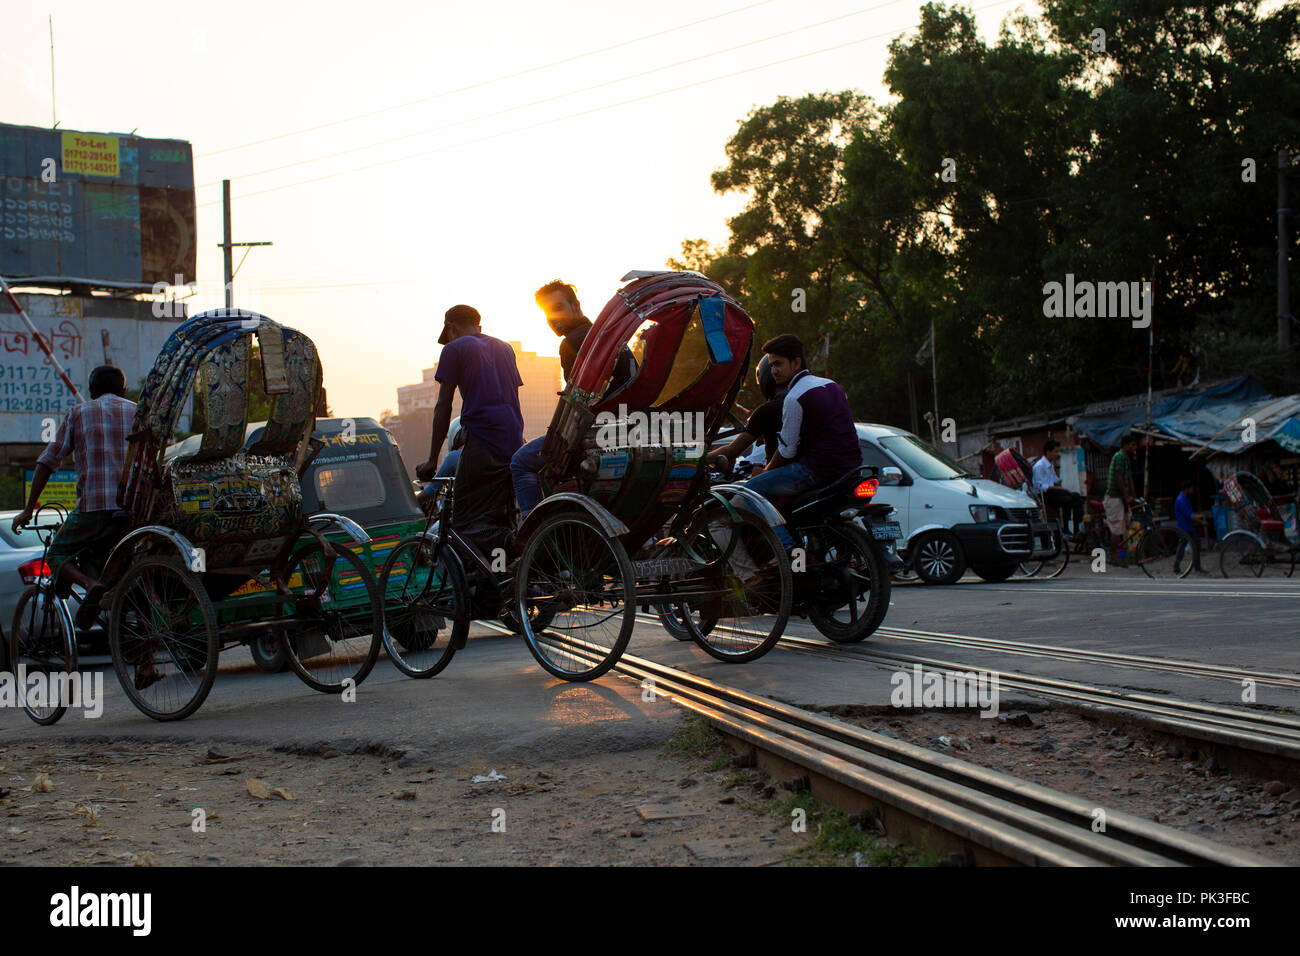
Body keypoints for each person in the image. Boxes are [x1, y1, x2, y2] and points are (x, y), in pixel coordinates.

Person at [13, 365, 135, 632]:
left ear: (91, 392)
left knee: (56, 553)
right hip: (133, 514)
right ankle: (145, 660)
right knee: (127, 570)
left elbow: (48, 462)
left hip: (93, 510)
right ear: (123, 390)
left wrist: (27, 509)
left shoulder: (78, 413)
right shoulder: (139, 413)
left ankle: (91, 585)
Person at [510, 279, 633, 520]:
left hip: (595, 434)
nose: (553, 319)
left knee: (521, 461)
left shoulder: (573, 342)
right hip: (627, 426)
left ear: (575, 305)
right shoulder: (607, 334)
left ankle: (531, 526)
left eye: (558, 308)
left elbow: (577, 402)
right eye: (547, 314)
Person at [415, 305, 524, 558]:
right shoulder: (505, 348)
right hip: (513, 440)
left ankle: (484, 585)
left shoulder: (453, 349)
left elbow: (444, 405)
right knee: (499, 517)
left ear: (451, 328)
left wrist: (432, 460)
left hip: (483, 440)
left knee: (463, 522)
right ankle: (504, 578)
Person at [743, 334, 862, 504]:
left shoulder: (794, 397)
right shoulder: (833, 385)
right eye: (771, 366)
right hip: (852, 469)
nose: (773, 371)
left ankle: (778, 532)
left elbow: (787, 450)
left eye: (778, 364)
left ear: (796, 363)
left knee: (749, 493)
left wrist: (766, 472)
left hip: (819, 471)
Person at [709, 354, 785, 475]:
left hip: (777, 477)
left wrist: (694, 460)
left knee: (734, 494)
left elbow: (731, 451)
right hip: (811, 476)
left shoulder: (767, 410)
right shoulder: (803, 399)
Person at [1032, 439, 1084, 534]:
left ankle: (1076, 528)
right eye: (1056, 451)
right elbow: (1042, 487)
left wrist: (1059, 469)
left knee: (1077, 497)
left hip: (1053, 492)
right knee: (1068, 499)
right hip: (1045, 495)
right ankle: (1067, 528)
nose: (1057, 454)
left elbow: (1056, 480)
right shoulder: (1039, 466)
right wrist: (1062, 489)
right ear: (1048, 452)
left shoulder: (1050, 465)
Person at [1103, 433, 1139, 547]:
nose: (1135, 448)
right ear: (1126, 445)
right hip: (1114, 497)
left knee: (1123, 525)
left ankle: (1121, 554)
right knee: (1116, 528)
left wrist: (1134, 495)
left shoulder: (1126, 459)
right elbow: (1119, 477)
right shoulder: (1119, 456)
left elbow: (1129, 478)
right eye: (1132, 445)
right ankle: (1114, 556)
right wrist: (1127, 496)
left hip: (1120, 497)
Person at [1174, 477, 1206, 572]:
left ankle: (1197, 566)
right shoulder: (1181, 500)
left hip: (1188, 527)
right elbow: (1190, 515)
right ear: (1186, 489)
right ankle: (1177, 567)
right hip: (1184, 528)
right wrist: (1201, 522)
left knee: (1195, 545)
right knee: (1182, 548)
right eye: (1191, 488)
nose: (1192, 490)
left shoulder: (1184, 499)